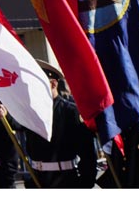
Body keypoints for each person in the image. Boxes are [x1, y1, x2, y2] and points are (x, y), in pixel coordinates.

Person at [22, 60, 97, 188]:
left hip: (65, 179)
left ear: (53, 84)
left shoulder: (71, 111)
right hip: (37, 179)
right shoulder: (32, 112)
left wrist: (85, 183)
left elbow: (88, 154)